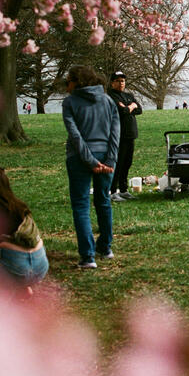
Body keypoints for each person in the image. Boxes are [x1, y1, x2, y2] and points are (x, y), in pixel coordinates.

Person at [62, 65, 119, 269]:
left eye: (68, 81)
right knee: (103, 201)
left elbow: (75, 135)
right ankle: (105, 247)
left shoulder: (69, 102)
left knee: (81, 205)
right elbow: (115, 133)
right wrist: (110, 160)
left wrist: (90, 161)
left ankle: (87, 257)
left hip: (79, 158)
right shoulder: (108, 100)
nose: (66, 86)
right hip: (105, 156)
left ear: (77, 82)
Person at [107, 71, 142, 201]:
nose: (121, 83)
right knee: (118, 163)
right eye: (117, 81)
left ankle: (123, 189)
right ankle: (112, 191)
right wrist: (131, 106)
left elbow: (139, 109)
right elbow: (123, 111)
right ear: (112, 83)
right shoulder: (111, 96)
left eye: (122, 81)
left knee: (127, 163)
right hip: (118, 135)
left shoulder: (128, 95)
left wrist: (130, 107)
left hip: (130, 134)